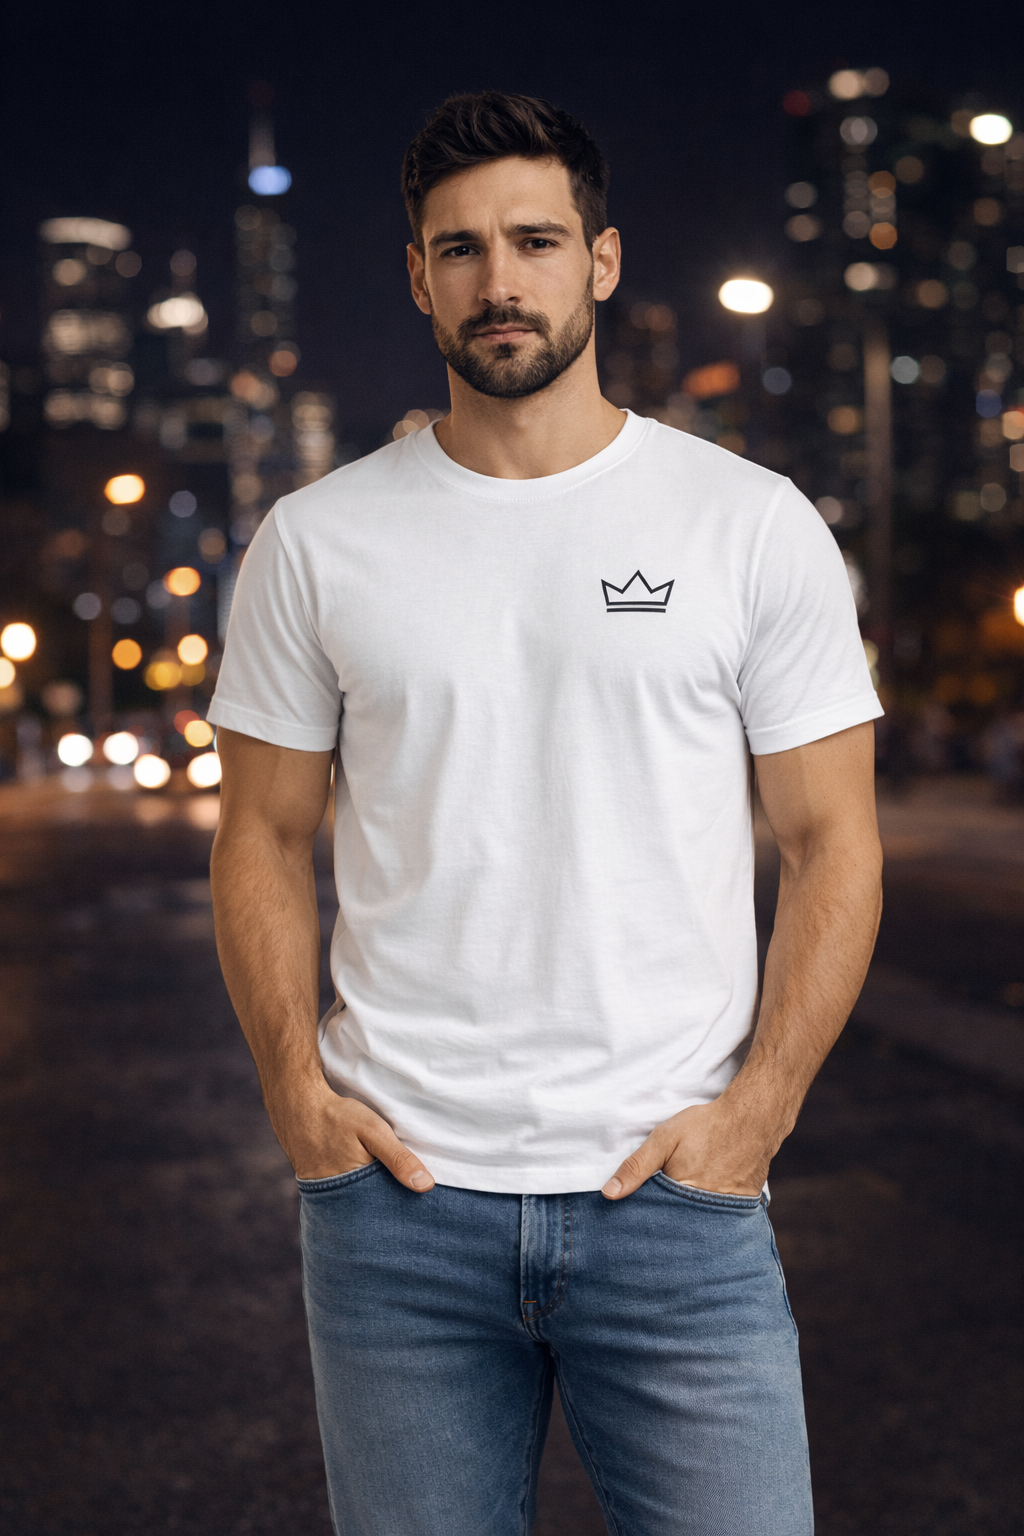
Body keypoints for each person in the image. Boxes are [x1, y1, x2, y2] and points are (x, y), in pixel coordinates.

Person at [208, 91, 884, 1536]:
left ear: (603, 260)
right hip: (397, 1209)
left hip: (678, 1207)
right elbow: (260, 836)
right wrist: (295, 1100)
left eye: (534, 241)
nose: (498, 282)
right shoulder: (317, 541)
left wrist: (754, 1121)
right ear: (416, 277)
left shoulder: (748, 524)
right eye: (460, 250)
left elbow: (833, 843)